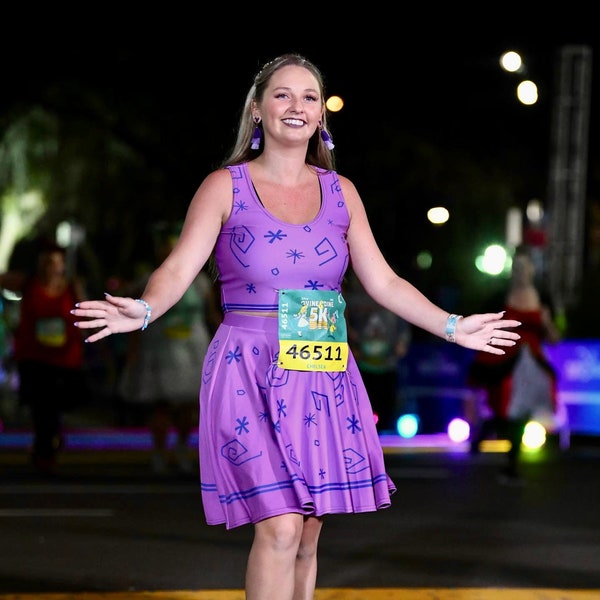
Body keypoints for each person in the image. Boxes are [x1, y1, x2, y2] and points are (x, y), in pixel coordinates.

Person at [71, 53, 521, 599]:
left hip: (321, 368)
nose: (297, 106)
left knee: (307, 533)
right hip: (248, 366)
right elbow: (177, 269)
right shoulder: (225, 187)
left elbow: (384, 282)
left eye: (309, 96)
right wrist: (143, 309)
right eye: (282, 94)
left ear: (321, 116)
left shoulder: (341, 193)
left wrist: (452, 326)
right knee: (280, 525)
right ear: (257, 109)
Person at [118, 223, 221, 475]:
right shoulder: (150, 279)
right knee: (161, 404)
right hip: (160, 350)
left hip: (193, 350)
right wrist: (132, 348)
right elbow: (135, 313)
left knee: (188, 406)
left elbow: (212, 315)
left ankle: (183, 449)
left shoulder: (200, 283)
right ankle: (159, 452)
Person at [467, 244, 561, 483]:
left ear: (532, 268)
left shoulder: (543, 296)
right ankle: (489, 434)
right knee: (505, 408)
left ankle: (511, 462)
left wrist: (547, 322)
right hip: (504, 360)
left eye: (525, 266)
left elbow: (555, 337)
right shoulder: (499, 295)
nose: (521, 271)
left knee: (522, 410)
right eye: (516, 267)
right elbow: (480, 325)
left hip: (531, 363)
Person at [0, 238, 88, 474]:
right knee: (40, 407)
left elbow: (85, 312)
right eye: (47, 262)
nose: (52, 267)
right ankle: (43, 452)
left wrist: (86, 335)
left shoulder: (72, 285)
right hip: (34, 357)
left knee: (56, 405)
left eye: (56, 262)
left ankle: (51, 441)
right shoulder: (28, 283)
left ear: (63, 265)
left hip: (65, 357)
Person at [345, 269, 411, 432]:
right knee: (359, 406)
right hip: (360, 365)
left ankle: (378, 438)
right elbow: (341, 323)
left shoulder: (391, 294)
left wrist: (403, 340)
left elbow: (404, 320)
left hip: (387, 363)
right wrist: (350, 348)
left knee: (387, 406)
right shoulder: (349, 298)